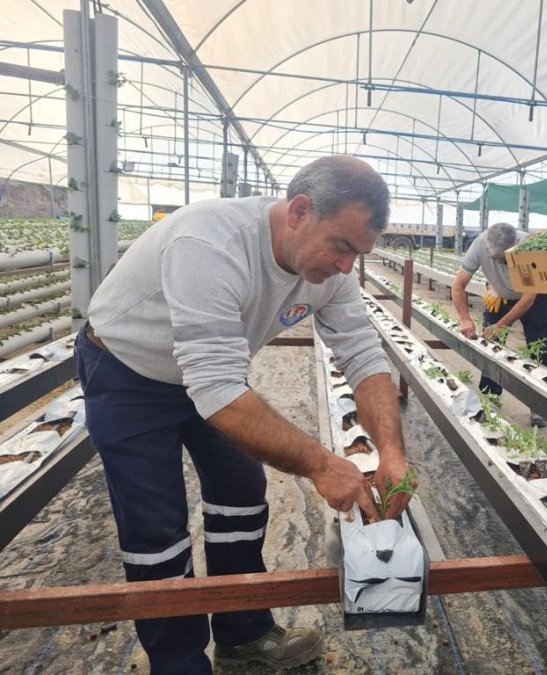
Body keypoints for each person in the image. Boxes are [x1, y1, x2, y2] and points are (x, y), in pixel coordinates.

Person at [75, 156, 414, 674]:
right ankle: (179, 663)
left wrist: (391, 453)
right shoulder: (211, 243)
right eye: (342, 246)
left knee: (241, 496)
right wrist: (324, 465)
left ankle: (244, 633)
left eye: (359, 254)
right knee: (156, 530)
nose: (347, 266)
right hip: (129, 371)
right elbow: (218, 392)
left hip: (213, 378)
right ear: (299, 211)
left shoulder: (331, 272)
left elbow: (364, 358)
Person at [451, 222, 547, 428]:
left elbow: (528, 298)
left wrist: (502, 324)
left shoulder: (528, 246)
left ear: (514, 246)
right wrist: (465, 318)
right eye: (496, 258)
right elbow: (458, 285)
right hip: (500, 295)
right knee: (490, 346)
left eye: (505, 259)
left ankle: (540, 407)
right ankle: (490, 396)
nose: (500, 263)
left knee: (539, 347)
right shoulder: (479, 245)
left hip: (534, 297)